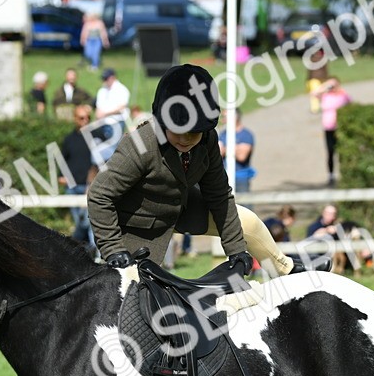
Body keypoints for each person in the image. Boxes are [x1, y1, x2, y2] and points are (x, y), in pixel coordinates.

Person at [87, 63, 320, 276]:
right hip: (137, 226)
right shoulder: (140, 144)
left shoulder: (207, 138)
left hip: (182, 208)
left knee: (247, 220)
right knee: (136, 300)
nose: (186, 139)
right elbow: (99, 195)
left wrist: (237, 250)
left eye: (194, 132)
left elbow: (219, 195)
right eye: (179, 130)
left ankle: (286, 271)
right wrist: (112, 250)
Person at [58, 106, 98, 250]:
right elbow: (63, 160)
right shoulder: (69, 139)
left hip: (89, 187)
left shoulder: (94, 138)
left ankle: (88, 249)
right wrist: (61, 176)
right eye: (81, 118)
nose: (85, 120)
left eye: (88, 117)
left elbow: (98, 163)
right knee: (79, 221)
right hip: (73, 186)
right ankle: (84, 251)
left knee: (87, 221)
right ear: (75, 119)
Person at [313, 78, 351, 186]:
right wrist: (326, 85)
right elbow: (313, 93)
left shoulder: (342, 96)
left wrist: (339, 89)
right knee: (330, 152)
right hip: (328, 128)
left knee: (342, 153)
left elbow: (351, 102)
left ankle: (344, 175)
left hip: (339, 127)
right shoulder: (326, 96)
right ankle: (331, 175)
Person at [218, 111, 256, 193]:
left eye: (225, 117)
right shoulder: (223, 134)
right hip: (224, 177)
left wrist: (226, 148)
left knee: (244, 203)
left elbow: (242, 156)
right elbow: (218, 153)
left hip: (241, 177)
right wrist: (236, 147)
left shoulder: (246, 135)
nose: (222, 120)